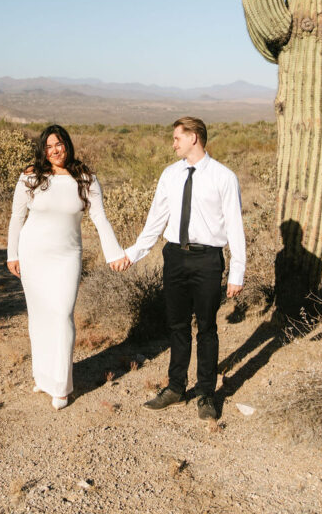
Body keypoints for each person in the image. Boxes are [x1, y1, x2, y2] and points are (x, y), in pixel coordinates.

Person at [120, 116, 245, 421]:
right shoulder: (170, 175)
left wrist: (237, 271)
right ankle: (175, 387)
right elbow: (155, 221)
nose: (173, 143)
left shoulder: (223, 177)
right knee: (176, 326)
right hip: (174, 256)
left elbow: (235, 226)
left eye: (178, 137)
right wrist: (133, 254)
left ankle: (205, 393)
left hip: (207, 260)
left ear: (194, 138)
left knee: (206, 329)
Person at [7, 124, 127, 410]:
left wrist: (114, 253)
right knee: (39, 317)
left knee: (62, 314)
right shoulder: (31, 177)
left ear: (67, 145)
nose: (55, 150)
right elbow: (16, 217)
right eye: (49, 147)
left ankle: (61, 386)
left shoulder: (85, 179)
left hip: (67, 256)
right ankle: (43, 376)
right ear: (43, 151)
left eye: (59, 144)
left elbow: (99, 217)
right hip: (33, 253)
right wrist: (12, 254)